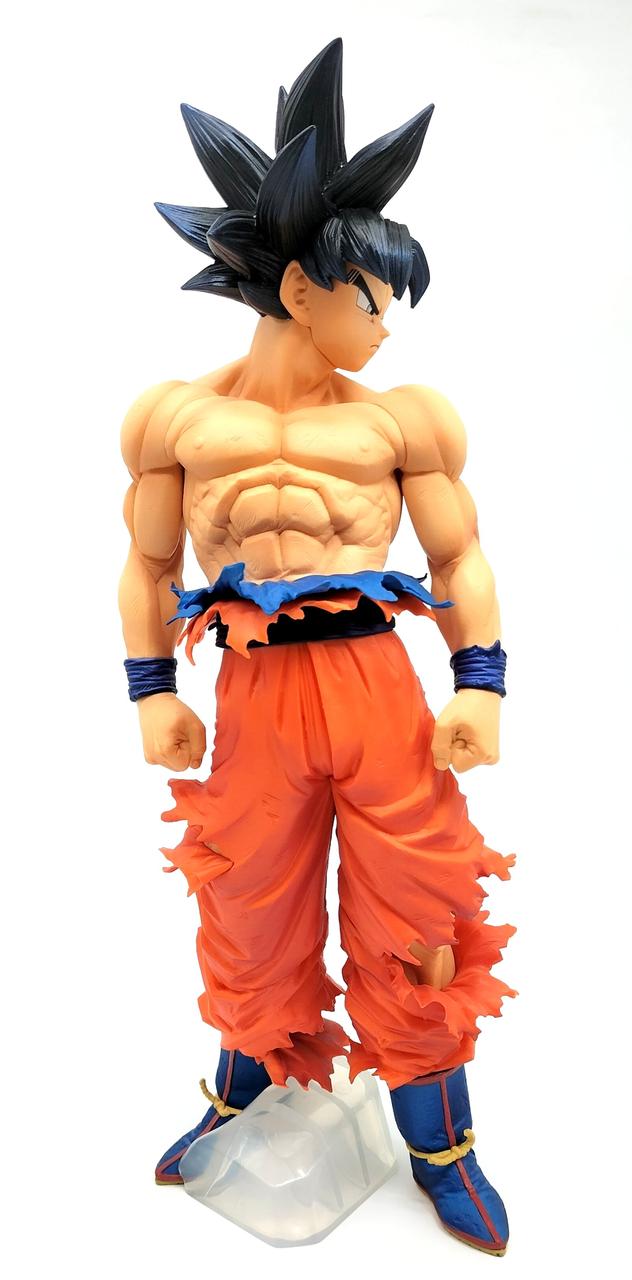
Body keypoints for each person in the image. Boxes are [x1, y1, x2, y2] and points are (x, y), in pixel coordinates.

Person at [119, 39, 516, 1255]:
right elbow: (146, 565)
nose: (387, 324)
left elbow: (457, 558)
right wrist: (149, 690)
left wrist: (481, 682)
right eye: (370, 297)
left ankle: (438, 1140)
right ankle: (241, 1090)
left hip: (375, 685)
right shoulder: (175, 418)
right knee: (246, 900)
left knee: (418, 902)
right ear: (300, 287)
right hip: (252, 689)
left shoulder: (405, 422)